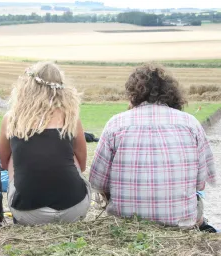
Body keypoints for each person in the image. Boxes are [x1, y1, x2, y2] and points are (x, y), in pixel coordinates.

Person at [89, 63, 217, 230]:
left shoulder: (116, 124)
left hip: (123, 222)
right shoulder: (190, 123)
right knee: (198, 207)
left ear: (133, 93)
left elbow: (97, 182)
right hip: (180, 223)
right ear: (171, 93)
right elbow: (200, 183)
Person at [0, 62, 91, 225]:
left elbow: (5, 163)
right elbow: (82, 165)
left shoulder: (11, 119)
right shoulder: (71, 118)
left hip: (28, 214)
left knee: (14, 156)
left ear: (27, 86)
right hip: (73, 210)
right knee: (71, 155)